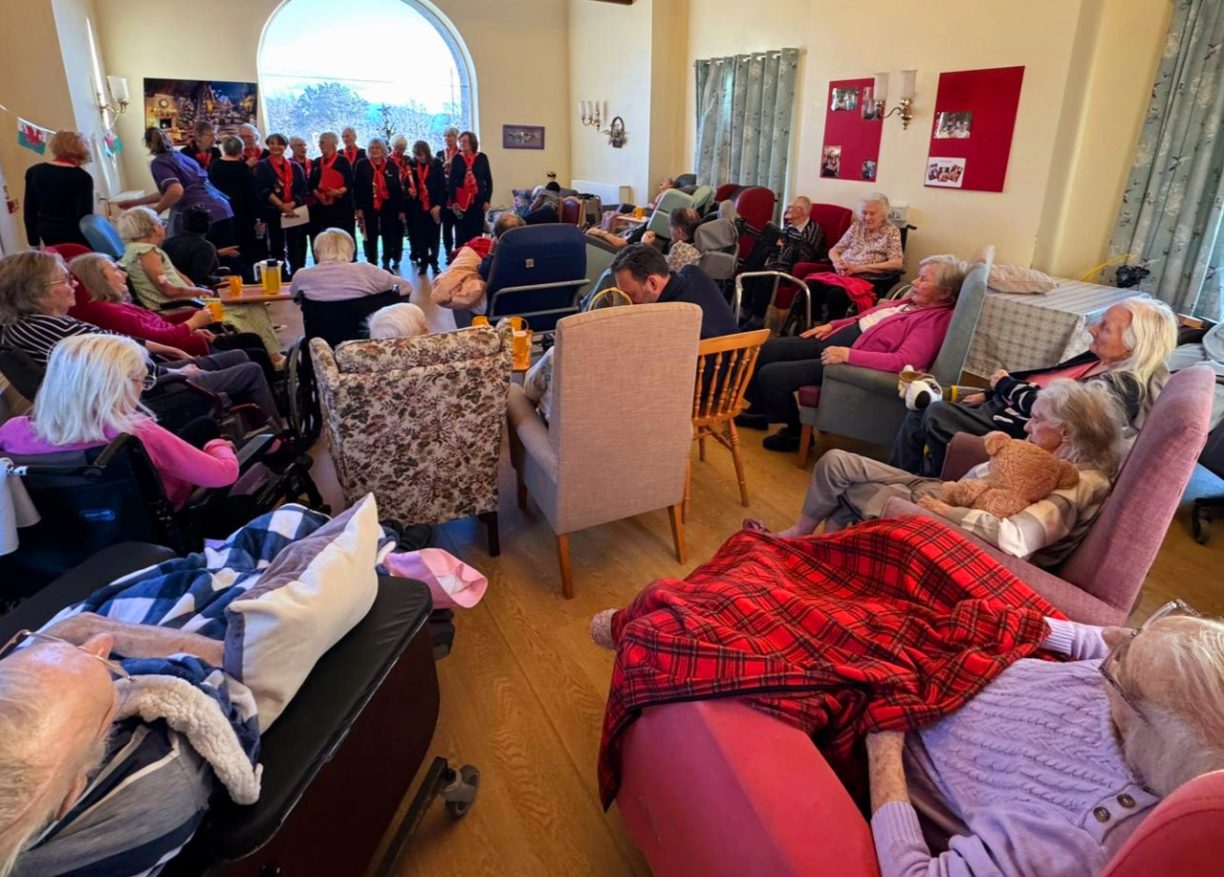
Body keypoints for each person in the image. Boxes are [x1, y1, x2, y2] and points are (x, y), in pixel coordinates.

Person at [773, 379, 1124, 565]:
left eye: (1037, 420)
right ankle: (805, 532)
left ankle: (817, 551)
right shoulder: (1050, 454)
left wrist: (948, 511)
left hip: (947, 515)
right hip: (946, 488)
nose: (1028, 427)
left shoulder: (1076, 482)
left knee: (851, 490)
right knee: (837, 461)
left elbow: (1016, 538)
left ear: (1065, 431)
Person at [890, 296, 1179, 476]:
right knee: (920, 414)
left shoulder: (1122, 386)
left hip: (1026, 431)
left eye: (1104, 327)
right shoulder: (1098, 356)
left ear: (1132, 346)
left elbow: (1056, 412)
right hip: (1010, 409)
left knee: (936, 416)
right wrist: (991, 392)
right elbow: (1042, 380)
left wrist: (1004, 385)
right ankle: (908, 478)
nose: (1092, 329)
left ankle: (928, 482)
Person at [0, 250, 281, 419]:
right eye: (65, 280)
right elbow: (124, 367)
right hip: (144, 394)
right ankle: (277, 445)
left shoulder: (24, 328)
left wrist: (170, 351)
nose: (75, 284)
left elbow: (118, 343)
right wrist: (180, 373)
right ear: (36, 290)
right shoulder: (63, 330)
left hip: (139, 381)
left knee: (238, 353)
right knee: (250, 369)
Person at [738, 254, 969, 452]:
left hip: (846, 359)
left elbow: (904, 361)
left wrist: (848, 355)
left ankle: (794, 433)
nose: (915, 282)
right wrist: (833, 325)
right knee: (766, 348)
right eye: (918, 276)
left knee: (773, 376)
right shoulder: (913, 301)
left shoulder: (934, 321)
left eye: (923, 279)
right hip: (835, 339)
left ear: (944, 293)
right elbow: (866, 318)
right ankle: (760, 411)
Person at [0, 334, 238, 508]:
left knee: (198, 429)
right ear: (116, 386)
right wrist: (219, 445)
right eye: (141, 381)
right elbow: (222, 475)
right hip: (158, 517)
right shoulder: (134, 433)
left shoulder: (10, 432)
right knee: (208, 433)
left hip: (67, 532)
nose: (141, 390)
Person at [117, 207, 283, 365]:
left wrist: (194, 287)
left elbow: (177, 277)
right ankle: (274, 357)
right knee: (251, 307)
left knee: (244, 303)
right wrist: (200, 291)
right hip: (177, 307)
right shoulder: (147, 252)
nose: (163, 227)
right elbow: (167, 288)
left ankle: (268, 351)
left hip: (182, 300)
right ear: (153, 227)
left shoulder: (138, 250)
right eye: (161, 223)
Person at [69, 251, 274, 375]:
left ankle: (276, 388)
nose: (122, 274)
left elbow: (158, 324)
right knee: (251, 353)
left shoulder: (116, 305)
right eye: (114, 270)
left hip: (185, 339)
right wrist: (193, 323)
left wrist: (192, 329)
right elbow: (157, 338)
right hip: (178, 355)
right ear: (98, 279)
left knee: (250, 340)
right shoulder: (106, 311)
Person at [116, 128, 235, 246]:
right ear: (169, 140)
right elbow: (168, 192)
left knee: (206, 255)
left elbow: (175, 191)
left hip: (204, 214)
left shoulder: (159, 163)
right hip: (220, 206)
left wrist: (157, 211)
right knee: (224, 254)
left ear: (148, 145)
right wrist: (135, 202)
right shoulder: (179, 156)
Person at [809, 192, 904, 322]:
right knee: (812, 285)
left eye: (872, 213)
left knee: (836, 295)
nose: (867, 217)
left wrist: (859, 268)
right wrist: (837, 262)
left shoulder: (891, 231)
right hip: (843, 274)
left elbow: (897, 263)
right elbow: (835, 250)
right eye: (864, 213)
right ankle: (812, 324)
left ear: (883, 215)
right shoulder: (857, 226)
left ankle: (830, 330)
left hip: (867, 280)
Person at [610, 244, 737, 339]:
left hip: (707, 371)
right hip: (741, 361)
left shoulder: (666, 320)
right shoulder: (693, 272)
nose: (630, 302)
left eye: (632, 295)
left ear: (652, 283)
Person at [743, 196, 826, 321]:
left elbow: (804, 258)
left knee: (765, 276)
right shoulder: (790, 225)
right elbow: (780, 247)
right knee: (751, 269)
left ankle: (757, 320)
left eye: (789, 208)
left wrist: (783, 246)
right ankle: (745, 311)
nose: (786, 211)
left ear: (800, 211)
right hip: (779, 264)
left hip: (795, 270)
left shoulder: (812, 231)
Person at [289, 228, 404, 302]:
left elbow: (294, 296)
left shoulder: (301, 275)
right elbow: (405, 287)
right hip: (362, 334)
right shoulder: (367, 271)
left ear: (316, 252)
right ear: (351, 249)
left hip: (319, 335)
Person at [22, 130, 93, 247]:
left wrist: (33, 242)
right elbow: (85, 217)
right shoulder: (82, 177)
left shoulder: (34, 172)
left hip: (47, 234)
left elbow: (29, 211)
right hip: (76, 237)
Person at [208, 135, 266, 276]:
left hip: (221, 215)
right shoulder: (243, 168)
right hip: (244, 215)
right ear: (241, 150)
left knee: (228, 250)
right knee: (246, 250)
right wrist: (260, 218)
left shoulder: (215, 165)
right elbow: (253, 195)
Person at [254, 133, 309, 276]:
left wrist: (292, 203)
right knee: (276, 245)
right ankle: (282, 275)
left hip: (294, 210)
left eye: (279, 144)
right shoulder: (262, 165)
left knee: (295, 245)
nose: (275, 146)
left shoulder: (295, 166)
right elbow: (263, 189)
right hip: (273, 210)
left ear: (285, 146)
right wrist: (281, 205)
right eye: (271, 143)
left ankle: (296, 273)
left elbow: (302, 189)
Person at [352, 138, 404, 270]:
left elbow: (397, 189)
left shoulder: (391, 165)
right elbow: (357, 188)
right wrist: (358, 208)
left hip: (389, 206)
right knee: (371, 235)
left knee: (388, 234)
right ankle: (372, 262)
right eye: (372, 148)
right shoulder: (362, 165)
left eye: (377, 148)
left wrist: (401, 209)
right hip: (368, 206)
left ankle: (386, 261)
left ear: (383, 150)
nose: (374, 150)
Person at [308, 132, 356, 250]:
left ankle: (349, 260)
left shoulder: (343, 161)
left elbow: (349, 182)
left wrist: (339, 192)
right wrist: (319, 196)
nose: (320, 145)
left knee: (345, 235)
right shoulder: (317, 162)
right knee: (327, 237)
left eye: (322, 142)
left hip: (342, 207)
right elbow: (311, 184)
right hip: (323, 207)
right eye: (320, 142)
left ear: (332, 144)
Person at [448, 131, 493, 253]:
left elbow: (488, 180)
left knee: (476, 231)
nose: (462, 144)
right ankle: (460, 258)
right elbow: (452, 181)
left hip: (478, 199)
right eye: (460, 141)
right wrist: (454, 201)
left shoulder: (482, 158)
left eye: (465, 141)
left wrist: (487, 200)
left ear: (472, 142)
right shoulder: (457, 158)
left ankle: (475, 257)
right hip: (462, 200)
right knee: (461, 231)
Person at [405, 140, 445, 275]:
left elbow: (442, 186)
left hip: (434, 206)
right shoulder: (411, 164)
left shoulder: (436, 164)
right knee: (420, 236)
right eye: (416, 155)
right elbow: (406, 183)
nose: (419, 158)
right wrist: (409, 190)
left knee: (434, 236)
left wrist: (439, 205)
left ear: (427, 153)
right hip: (417, 206)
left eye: (421, 155)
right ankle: (423, 263)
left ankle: (434, 262)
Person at [162, 206, 225, 287]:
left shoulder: (168, 242)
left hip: (170, 286)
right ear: (209, 225)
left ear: (184, 223)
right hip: (194, 292)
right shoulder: (205, 247)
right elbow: (200, 279)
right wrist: (222, 279)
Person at [642, 207, 702, 271]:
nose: (669, 229)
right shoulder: (697, 244)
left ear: (679, 231)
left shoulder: (680, 248)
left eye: (671, 227)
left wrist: (645, 245)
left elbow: (658, 271)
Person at [437, 127, 461, 259]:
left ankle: (458, 252)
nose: (448, 139)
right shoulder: (440, 154)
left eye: (450, 136)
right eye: (445, 136)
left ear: (456, 137)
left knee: (458, 224)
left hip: (457, 194)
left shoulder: (461, 153)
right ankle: (447, 253)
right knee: (446, 226)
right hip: (444, 194)